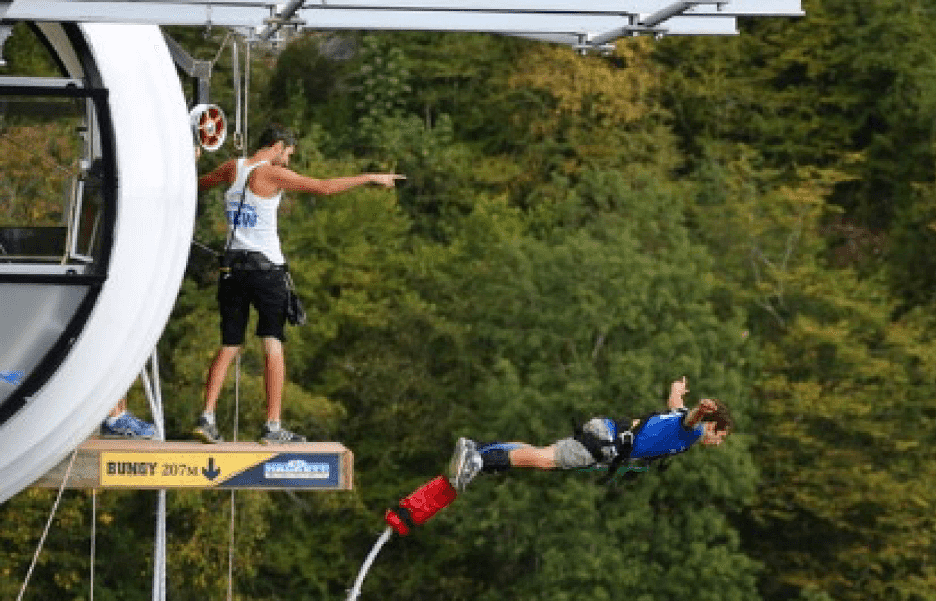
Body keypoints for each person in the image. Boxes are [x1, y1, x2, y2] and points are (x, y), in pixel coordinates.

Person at [193, 125, 405, 444]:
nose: (288, 161)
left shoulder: (231, 168)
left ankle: (207, 417)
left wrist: (189, 159)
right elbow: (324, 187)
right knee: (272, 341)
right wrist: (371, 177)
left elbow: (196, 185)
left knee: (229, 344)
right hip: (266, 270)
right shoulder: (271, 174)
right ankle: (272, 426)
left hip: (231, 267)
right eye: (288, 154)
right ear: (278, 146)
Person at [447, 377, 732, 492]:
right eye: (720, 436)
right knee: (546, 459)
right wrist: (702, 409)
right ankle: (479, 460)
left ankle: (479, 447)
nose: (717, 443)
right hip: (607, 443)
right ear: (711, 425)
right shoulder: (692, 431)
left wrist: (677, 390)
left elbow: (675, 403)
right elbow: (692, 417)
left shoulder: (679, 418)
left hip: (609, 434)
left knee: (543, 452)